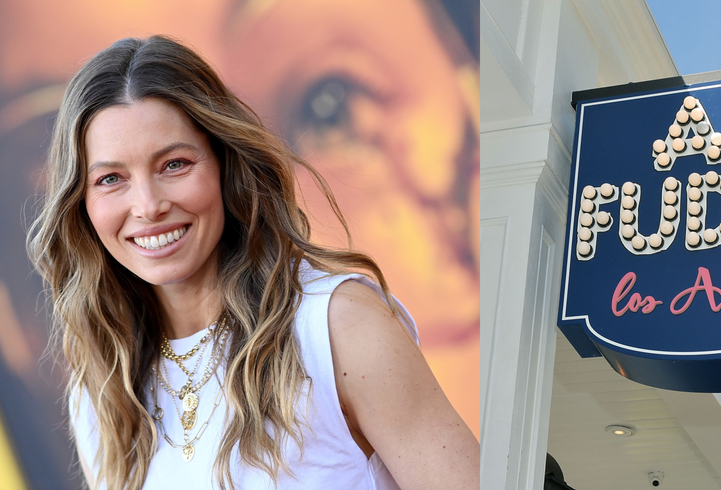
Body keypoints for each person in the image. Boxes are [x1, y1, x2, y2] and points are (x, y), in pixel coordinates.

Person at [26, 35, 479, 490]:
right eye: (110, 179)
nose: (147, 205)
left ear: (225, 164)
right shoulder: (102, 390)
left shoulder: (336, 326)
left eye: (174, 165)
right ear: (80, 202)